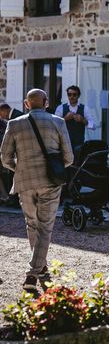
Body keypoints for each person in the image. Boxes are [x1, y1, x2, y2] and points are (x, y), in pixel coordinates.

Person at [0, 89, 74, 294]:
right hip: (50, 181)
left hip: (24, 181)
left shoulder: (14, 124)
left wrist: (20, 168)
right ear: (47, 103)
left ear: (26, 104)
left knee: (32, 224)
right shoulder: (58, 122)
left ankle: (40, 265)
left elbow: (5, 158)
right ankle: (32, 273)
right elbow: (69, 158)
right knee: (45, 228)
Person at [54, 85, 95, 152]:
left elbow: (93, 126)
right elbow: (54, 124)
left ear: (78, 96)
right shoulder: (61, 108)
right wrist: (65, 118)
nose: (71, 97)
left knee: (78, 161)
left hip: (79, 144)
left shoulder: (84, 108)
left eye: (74, 94)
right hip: (64, 143)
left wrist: (82, 120)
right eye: (69, 94)